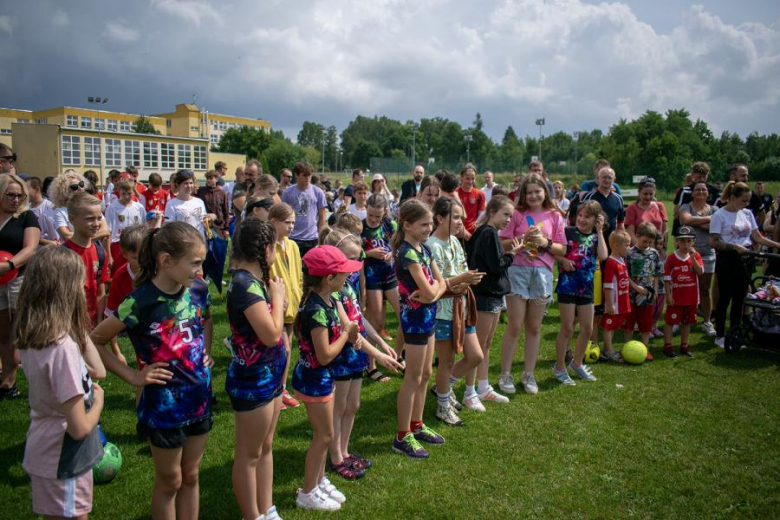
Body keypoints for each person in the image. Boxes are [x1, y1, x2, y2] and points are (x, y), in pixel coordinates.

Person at [90, 222, 213, 520]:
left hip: (199, 397)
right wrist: (134, 376)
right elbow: (94, 340)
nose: (199, 270)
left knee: (192, 475)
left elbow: (205, 320)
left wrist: (205, 351)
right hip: (164, 406)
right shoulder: (140, 302)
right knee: (170, 481)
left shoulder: (197, 288)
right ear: (166, 261)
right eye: (194, 263)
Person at [16, 246, 106, 520]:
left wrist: (77, 327)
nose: (84, 290)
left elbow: (98, 370)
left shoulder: (44, 337)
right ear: (65, 290)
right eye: (79, 285)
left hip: (51, 449)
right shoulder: (60, 347)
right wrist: (99, 402)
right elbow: (79, 427)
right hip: (63, 453)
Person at [321, 227, 402, 479]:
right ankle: (335, 456)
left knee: (353, 405)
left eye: (358, 258)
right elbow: (350, 329)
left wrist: (379, 341)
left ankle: (344, 450)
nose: (357, 264)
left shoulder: (348, 281)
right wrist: (378, 356)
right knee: (340, 406)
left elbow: (359, 319)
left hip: (357, 352)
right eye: (351, 259)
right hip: (342, 353)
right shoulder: (332, 288)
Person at [292, 245, 361, 511]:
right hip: (314, 378)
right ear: (328, 278)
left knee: (326, 433)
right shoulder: (315, 310)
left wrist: (349, 331)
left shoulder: (330, 299)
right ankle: (307, 491)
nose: (348, 278)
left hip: (323, 377)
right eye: (343, 273)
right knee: (323, 436)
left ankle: (318, 482)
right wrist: (346, 333)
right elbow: (324, 355)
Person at [225, 219, 286, 520]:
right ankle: (252, 515)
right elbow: (272, 335)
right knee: (249, 455)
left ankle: (267, 508)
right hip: (252, 381)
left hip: (269, 376)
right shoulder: (244, 284)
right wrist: (278, 298)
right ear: (266, 249)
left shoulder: (255, 280)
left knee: (266, 445)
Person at [497, 174, 566, 395]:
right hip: (517, 272)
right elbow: (502, 244)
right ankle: (505, 374)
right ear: (523, 195)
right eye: (530, 192)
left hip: (542, 274)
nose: (534, 195)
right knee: (515, 325)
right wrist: (523, 240)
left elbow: (562, 250)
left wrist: (545, 243)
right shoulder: (517, 214)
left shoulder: (555, 216)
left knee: (534, 327)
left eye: (538, 191)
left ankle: (529, 374)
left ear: (545, 192)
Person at [391, 200, 447, 459]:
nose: (429, 228)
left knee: (425, 373)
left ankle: (417, 423)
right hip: (414, 320)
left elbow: (441, 283)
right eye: (424, 224)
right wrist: (435, 291)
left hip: (428, 317)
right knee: (412, 377)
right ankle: (402, 436)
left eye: (430, 223)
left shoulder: (423, 247)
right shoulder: (407, 253)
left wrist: (434, 292)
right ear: (407, 225)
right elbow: (430, 288)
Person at [427, 197, 485, 424]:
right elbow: (437, 283)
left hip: (461, 307)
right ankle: (443, 406)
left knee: (476, 356)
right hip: (443, 311)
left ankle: (442, 388)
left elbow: (460, 271)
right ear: (440, 218)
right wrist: (463, 279)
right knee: (447, 361)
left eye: (462, 217)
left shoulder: (454, 241)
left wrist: (469, 280)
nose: (462, 221)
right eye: (457, 217)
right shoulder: (432, 245)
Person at [709, 181, 780, 347]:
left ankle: (735, 331)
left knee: (740, 298)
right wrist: (734, 247)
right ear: (733, 198)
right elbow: (713, 241)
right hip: (728, 259)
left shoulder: (747, 213)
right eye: (744, 200)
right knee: (725, 297)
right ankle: (720, 334)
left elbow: (757, 236)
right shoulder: (719, 215)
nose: (747, 204)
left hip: (746, 258)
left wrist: (777, 245)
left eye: (748, 200)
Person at [465, 195, 520, 404]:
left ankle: (483, 386)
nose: (508, 219)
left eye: (511, 216)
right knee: (477, 348)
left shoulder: (488, 232)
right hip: (484, 296)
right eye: (505, 214)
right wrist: (513, 253)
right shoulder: (487, 233)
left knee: (486, 345)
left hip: (491, 295)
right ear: (491, 212)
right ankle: (469, 392)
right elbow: (496, 265)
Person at [553, 201, 607, 384]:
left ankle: (577, 363)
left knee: (587, 328)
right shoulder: (568, 232)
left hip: (586, 287)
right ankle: (559, 367)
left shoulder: (596, 236)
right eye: (580, 215)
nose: (582, 219)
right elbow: (551, 251)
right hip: (567, 285)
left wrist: (600, 231)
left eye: (587, 217)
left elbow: (603, 256)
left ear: (596, 220)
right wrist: (563, 260)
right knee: (567, 328)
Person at [0, 173, 40, 399]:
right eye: (11, 195)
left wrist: (10, 265)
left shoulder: (26, 217)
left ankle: (32, 380)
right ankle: (7, 381)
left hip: (19, 279)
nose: (16, 199)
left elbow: (31, 248)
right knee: (3, 333)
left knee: (21, 331)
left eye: (20, 195)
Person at [267, 203, 303, 410]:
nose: (291, 226)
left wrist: (298, 295)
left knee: (288, 350)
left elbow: (298, 276)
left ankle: (282, 388)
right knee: (280, 349)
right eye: (287, 222)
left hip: (292, 306)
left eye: (293, 223)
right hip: (276, 308)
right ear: (273, 222)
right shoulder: (267, 246)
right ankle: (274, 390)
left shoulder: (293, 246)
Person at [361, 194, 401, 352]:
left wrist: (392, 252)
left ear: (384, 211)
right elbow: (353, 253)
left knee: (403, 315)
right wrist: (370, 253)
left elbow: (400, 244)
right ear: (366, 209)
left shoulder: (390, 224)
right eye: (370, 215)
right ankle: (372, 363)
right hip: (372, 279)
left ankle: (398, 354)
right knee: (376, 322)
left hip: (391, 276)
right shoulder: (361, 227)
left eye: (377, 216)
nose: (373, 219)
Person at [64, 192, 110, 328]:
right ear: (72, 219)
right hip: (68, 323)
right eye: (90, 219)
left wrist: (100, 320)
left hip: (92, 322)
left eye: (99, 218)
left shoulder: (100, 252)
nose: (96, 224)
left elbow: (101, 292)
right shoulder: (63, 255)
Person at [105, 225, 148, 367]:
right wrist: (116, 352)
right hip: (141, 336)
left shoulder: (160, 270)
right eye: (136, 258)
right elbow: (110, 315)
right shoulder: (120, 277)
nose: (142, 262)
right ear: (124, 254)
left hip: (169, 329)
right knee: (147, 376)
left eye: (146, 255)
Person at [679, 182, 717, 336]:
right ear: (692, 193)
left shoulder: (714, 208)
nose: (701, 192)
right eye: (697, 190)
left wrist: (696, 221)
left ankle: (707, 321)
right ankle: (680, 319)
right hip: (686, 253)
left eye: (704, 189)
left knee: (705, 289)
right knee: (683, 287)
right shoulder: (686, 207)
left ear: (708, 193)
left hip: (707, 254)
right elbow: (686, 220)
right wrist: (708, 219)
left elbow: (716, 227)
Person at [663, 226, 703, 358]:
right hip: (676, 297)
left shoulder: (695, 256)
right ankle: (667, 345)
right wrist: (668, 295)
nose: (686, 244)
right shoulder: (672, 258)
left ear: (693, 241)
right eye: (682, 241)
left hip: (691, 297)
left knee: (687, 322)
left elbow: (700, 272)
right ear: (676, 242)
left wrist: (693, 259)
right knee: (670, 321)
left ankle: (684, 345)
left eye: (689, 241)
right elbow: (667, 279)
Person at [623, 222, 662, 358]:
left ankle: (645, 349)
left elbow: (657, 273)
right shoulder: (629, 253)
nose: (647, 244)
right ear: (637, 236)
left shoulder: (654, 253)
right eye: (645, 241)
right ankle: (626, 348)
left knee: (646, 325)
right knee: (629, 324)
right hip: (631, 295)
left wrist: (655, 290)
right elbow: (624, 275)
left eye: (650, 242)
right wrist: (635, 287)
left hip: (648, 297)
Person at [281, 161, 328, 258]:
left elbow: (322, 216)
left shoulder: (318, 192)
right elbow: (283, 216)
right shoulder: (287, 193)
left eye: (309, 175)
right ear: (297, 175)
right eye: (304, 175)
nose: (308, 178)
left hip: (312, 238)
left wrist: (321, 238)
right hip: (293, 237)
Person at [601, 230, 632, 362]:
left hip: (622, 301)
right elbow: (607, 285)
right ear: (616, 246)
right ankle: (608, 351)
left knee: (614, 326)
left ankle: (608, 348)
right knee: (609, 326)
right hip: (614, 303)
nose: (629, 248)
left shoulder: (622, 260)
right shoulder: (611, 263)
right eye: (627, 245)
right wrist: (609, 304)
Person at [105, 178, 146, 275]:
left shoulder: (139, 208)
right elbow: (108, 233)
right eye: (123, 194)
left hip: (136, 245)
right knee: (120, 274)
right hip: (118, 246)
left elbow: (144, 229)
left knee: (137, 273)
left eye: (129, 193)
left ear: (134, 191)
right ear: (119, 191)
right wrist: (109, 255)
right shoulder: (112, 208)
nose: (127, 196)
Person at [672, 162, 720, 235]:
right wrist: (692, 221)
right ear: (693, 175)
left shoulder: (714, 191)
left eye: (704, 177)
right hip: (684, 230)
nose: (701, 179)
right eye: (699, 177)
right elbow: (677, 214)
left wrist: (693, 222)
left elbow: (718, 217)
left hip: (708, 232)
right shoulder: (685, 191)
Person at [165, 170, 214, 235]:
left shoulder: (199, 202)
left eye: (191, 183)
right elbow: (169, 228)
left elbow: (204, 223)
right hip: (182, 242)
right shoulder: (171, 204)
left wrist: (211, 218)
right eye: (185, 183)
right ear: (178, 185)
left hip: (199, 241)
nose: (189, 186)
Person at [625, 178, 667, 250]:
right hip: (639, 250)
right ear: (639, 192)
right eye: (645, 194)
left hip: (657, 250)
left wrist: (664, 248)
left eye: (651, 194)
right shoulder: (632, 208)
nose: (648, 197)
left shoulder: (660, 206)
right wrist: (642, 249)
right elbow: (631, 233)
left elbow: (665, 231)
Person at [25, 176, 59, 245]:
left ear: (37, 189)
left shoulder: (50, 207)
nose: (24, 193)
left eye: (26, 190)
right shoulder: (25, 208)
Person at [455, 163, 486, 238]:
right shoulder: (455, 193)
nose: (470, 181)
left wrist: (477, 224)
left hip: (473, 232)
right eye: (467, 178)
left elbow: (481, 214)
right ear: (462, 177)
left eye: (473, 178)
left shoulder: (479, 194)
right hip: (457, 230)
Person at [196, 170, 230, 237]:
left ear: (216, 179)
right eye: (207, 178)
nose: (208, 180)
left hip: (219, 226)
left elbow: (226, 212)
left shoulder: (222, 193)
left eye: (211, 178)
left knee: (219, 246)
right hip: (204, 226)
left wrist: (226, 228)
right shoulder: (201, 190)